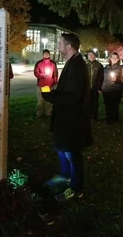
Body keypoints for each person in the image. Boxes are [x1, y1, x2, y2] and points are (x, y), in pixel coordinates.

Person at [42, 33, 93, 202]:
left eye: (60, 43)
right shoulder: (73, 63)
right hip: (65, 118)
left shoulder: (78, 66)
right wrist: (50, 92)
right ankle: (65, 177)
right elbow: (66, 91)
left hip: (73, 119)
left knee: (71, 152)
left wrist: (50, 96)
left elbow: (72, 96)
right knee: (62, 148)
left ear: (69, 46)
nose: (58, 46)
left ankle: (76, 188)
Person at [34, 49, 58, 118]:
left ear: (49, 54)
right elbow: (36, 73)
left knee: (50, 101)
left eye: (47, 54)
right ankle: (39, 113)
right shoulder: (39, 63)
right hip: (42, 85)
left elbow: (55, 73)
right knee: (41, 101)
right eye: (45, 54)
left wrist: (55, 81)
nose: (46, 55)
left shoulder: (53, 63)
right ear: (43, 55)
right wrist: (42, 75)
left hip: (50, 85)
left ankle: (48, 113)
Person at [102, 52, 123, 125]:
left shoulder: (120, 68)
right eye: (113, 57)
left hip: (115, 89)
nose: (114, 59)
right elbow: (102, 78)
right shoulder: (106, 68)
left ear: (118, 59)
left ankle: (115, 119)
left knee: (115, 105)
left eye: (116, 58)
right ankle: (108, 119)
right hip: (106, 89)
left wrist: (116, 80)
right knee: (107, 105)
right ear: (110, 58)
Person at [86, 50, 104, 122]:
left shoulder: (99, 65)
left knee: (95, 103)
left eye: (92, 55)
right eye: (89, 55)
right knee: (87, 103)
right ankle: (87, 116)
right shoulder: (85, 65)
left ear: (95, 56)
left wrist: (99, 88)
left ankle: (94, 117)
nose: (90, 56)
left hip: (95, 88)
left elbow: (101, 77)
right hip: (87, 88)